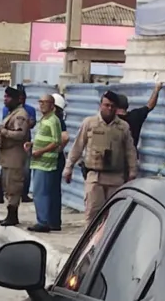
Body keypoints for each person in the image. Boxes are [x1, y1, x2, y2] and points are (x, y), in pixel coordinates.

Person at [63, 90, 137, 224]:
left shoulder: (123, 127)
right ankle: (91, 243)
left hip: (115, 177)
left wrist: (132, 172)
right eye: (106, 105)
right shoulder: (89, 123)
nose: (109, 108)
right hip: (94, 176)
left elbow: (130, 151)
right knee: (93, 212)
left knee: (113, 214)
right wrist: (68, 168)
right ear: (100, 105)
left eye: (112, 106)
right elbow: (77, 146)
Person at [0, 86, 36, 205]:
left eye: (8, 97)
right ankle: (10, 213)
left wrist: (4, 132)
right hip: (7, 155)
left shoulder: (20, 114)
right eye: (5, 97)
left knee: (13, 187)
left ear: (17, 99)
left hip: (15, 156)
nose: (5, 99)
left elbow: (20, 134)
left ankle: (12, 215)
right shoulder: (11, 112)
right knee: (7, 186)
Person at [27, 93, 62, 233]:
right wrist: (32, 144)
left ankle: (43, 222)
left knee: (41, 192)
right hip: (38, 161)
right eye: (40, 101)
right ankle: (43, 220)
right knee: (39, 192)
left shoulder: (54, 120)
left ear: (52, 105)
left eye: (45, 102)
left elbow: (56, 141)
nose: (41, 104)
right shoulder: (43, 119)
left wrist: (40, 151)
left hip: (46, 162)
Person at [117, 82, 163, 148]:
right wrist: (156, 89)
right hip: (132, 155)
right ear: (127, 105)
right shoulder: (135, 115)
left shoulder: (112, 119)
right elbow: (150, 105)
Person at [51, 93, 69, 231]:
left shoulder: (57, 120)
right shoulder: (55, 119)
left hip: (55, 160)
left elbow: (64, 138)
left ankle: (54, 221)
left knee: (53, 191)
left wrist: (55, 150)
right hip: (55, 159)